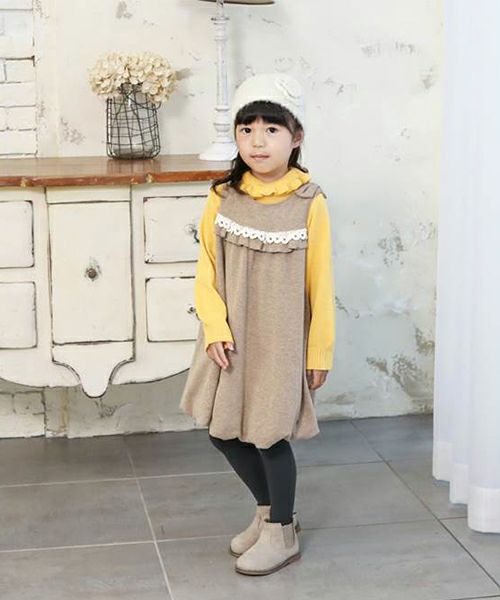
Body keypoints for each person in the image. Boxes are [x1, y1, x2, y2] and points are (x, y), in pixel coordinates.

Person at [179, 72, 336, 576]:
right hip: (229, 337)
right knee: (223, 431)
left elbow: (321, 284)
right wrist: (215, 326)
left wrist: (318, 351)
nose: (257, 141)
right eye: (246, 130)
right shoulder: (223, 195)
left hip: (281, 339)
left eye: (271, 129)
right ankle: (270, 513)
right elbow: (206, 269)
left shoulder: (309, 202)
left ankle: (281, 531)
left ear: (296, 136)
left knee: (269, 435)